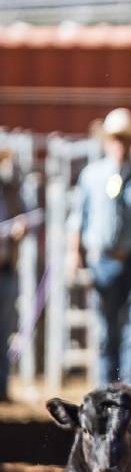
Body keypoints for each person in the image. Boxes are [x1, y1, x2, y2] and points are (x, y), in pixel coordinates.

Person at [66, 108, 131, 385]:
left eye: (125, 139)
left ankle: (129, 389)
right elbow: (77, 218)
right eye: (116, 138)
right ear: (107, 141)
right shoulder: (92, 175)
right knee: (106, 328)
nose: (120, 144)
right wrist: (73, 253)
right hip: (104, 259)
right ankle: (105, 388)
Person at [0, 150, 28, 401]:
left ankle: (2, 387)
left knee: (3, 330)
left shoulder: (10, 190)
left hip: (6, 268)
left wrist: (20, 228)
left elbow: (25, 216)